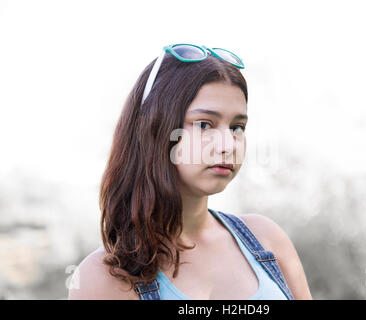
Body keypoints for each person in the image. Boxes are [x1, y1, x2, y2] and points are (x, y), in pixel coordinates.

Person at [68, 44, 312, 300]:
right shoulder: (104, 278)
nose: (227, 145)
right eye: (205, 124)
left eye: (237, 127)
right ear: (154, 128)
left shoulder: (265, 239)